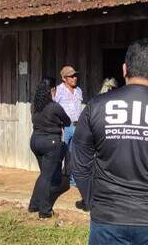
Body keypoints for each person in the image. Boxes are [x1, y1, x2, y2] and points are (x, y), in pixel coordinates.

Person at [71, 38, 148, 245]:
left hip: (108, 217)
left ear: (124, 69)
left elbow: (78, 161)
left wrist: (92, 200)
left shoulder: (96, 106)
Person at [28, 77, 71, 218]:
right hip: (50, 143)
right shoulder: (54, 106)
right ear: (53, 90)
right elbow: (67, 120)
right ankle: (45, 211)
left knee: (43, 175)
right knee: (46, 177)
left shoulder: (34, 106)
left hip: (35, 141)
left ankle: (33, 205)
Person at [54, 65, 85, 210]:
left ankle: (72, 180)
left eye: (75, 75)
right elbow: (53, 110)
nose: (74, 78)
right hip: (64, 128)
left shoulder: (78, 90)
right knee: (60, 153)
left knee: (73, 154)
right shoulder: (57, 91)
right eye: (71, 76)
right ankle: (57, 179)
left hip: (76, 126)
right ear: (64, 78)